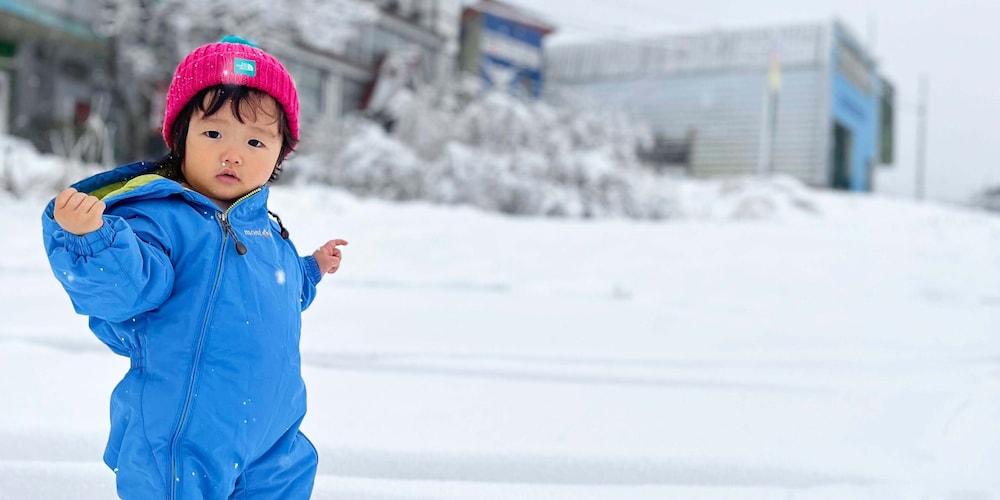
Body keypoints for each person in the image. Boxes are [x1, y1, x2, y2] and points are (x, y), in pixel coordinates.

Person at [41, 36, 346, 499]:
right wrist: (94, 239)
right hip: (185, 434)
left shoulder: (264, 228)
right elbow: (126, 290)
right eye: (214, 134)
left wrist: (311, 269)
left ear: (280, 154)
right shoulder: (158, 220)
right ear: (180, 137)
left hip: (275, 436)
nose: (233, 153)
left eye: (255, 141)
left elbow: (278, 293)